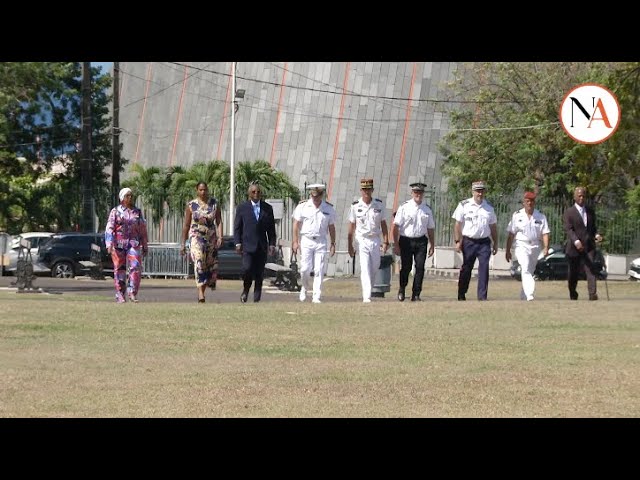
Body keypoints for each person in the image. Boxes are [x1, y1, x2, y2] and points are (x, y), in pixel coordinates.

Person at [452, 180, 498, 301]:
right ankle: (462, 292)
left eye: (482, 191)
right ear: (473, 192)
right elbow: (457, 224)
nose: (480, 194)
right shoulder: (464, 205)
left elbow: (493, 227)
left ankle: (482, 296)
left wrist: (496, 242)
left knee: (484, 268)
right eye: (477, 191)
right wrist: (458, 241)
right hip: (468, 241)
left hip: (484, 242)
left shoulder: (489, 207)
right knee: (467, 268)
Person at [292, 183, 337, 303]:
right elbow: (296, 225)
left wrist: (333, 243)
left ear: (322, 195)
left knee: (319, 269)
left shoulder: (328, 208)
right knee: (305, 269)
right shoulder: (303, 207)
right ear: (310, 195)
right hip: (306, 239)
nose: (315, 198)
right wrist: (295, 241)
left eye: (317, 196)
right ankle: (304, 287)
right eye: (313, 196)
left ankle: (316, 295)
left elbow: (332, 227)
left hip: (321, 241)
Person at [179, 182, 223, 303]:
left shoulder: (214, 204)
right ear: (197, 190)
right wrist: (183, 243)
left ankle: (203, 291)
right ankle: (200, 294)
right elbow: (186, 225)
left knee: (208, 266)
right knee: (198, 261)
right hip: (196, 236)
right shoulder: (191, 205)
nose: (203, 192)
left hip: (211, 238)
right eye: (200, 190)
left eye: (205, 190)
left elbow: (219, 221)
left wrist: (220, 237)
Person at [347, 178, 390, 303]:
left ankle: (368, 290)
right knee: (365, 267)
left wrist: (386, 241)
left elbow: (383, 224)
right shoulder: (355, 206)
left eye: (369, 189)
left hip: (375, 239)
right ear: (361, 191)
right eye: (364, 190)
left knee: (375, 266)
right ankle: (366, 296)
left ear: (372, 190)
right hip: (362, 239)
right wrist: (350, 244)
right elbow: (351, 226)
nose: (367, 192)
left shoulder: (378, 204)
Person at [233, 182, 277, 303]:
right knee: (247, 269)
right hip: (247, 246)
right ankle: (246, 290)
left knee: (259, 273)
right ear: (249, 194)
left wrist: (272, 244)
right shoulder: (242, 208)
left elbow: (271, 229)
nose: (256, 194)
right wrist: (237, 243)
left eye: (258, 192)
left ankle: (257, 298)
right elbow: (237, 227)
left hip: (261, 246)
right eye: (253, 192)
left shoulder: (267, 208)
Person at [392, 182, 435, 302]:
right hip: (406, 240)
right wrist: (396, 244)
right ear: (412, 193)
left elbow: (430, 228)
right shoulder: (404, 207)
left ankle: (416, 293)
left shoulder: (427, 209)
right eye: (416, 192)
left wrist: (432, 244)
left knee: (420, 267)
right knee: (406, 267)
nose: (418, 195)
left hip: (421, 241)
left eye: (420, 192)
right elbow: (395, 227)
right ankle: (402, 288)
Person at [104, 187, 149, 303]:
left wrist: (145, 244)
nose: (130, 198)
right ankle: (120, 294)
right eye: (127, 196)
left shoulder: (137, 212)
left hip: (133, 243)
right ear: (122, 198)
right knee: (119, 269)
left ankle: (132, 292)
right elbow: (109, 228)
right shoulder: (115, 211)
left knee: (135, 266)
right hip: (118, 244)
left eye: (131, 196)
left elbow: (142, 228)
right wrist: (108, 243)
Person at [505, 191, 550, 301]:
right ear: (523, 203)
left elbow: (545, 233)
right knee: (525, 267)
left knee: (529, 270)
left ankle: (523, 294)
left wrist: (546, 247)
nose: (530, 203)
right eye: (527, 201)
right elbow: (511, 234)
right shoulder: (517, 215)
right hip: (521, 245)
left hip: (535, 246)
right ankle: (530, 294)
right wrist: (508, 250)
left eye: (532, 201)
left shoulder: (540, 216)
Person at [563, 186, 603, 301]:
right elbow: (569, 229)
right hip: (574, 248)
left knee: (591, 269)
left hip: (588, 246)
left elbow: (593, 228)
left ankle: (592, 294)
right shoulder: (569, 212)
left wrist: (597, 235)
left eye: (583, 196)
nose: (581, 198)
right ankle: (573, 293)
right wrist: (576, 241)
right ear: (574, 197)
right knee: (573, 273)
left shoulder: (590, 211)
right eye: (579, 196)